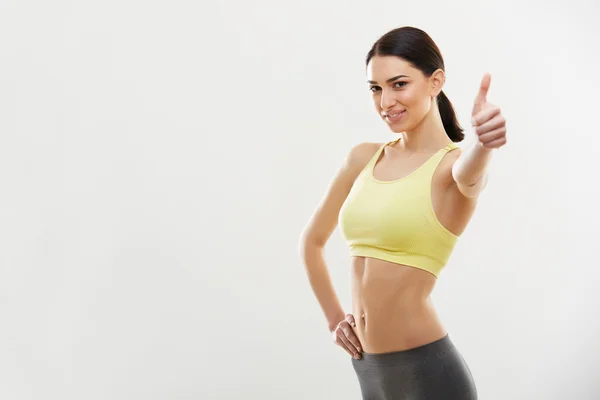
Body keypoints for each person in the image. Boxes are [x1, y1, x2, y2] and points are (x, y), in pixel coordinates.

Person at [298, 26, 507, 399]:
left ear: (435, 82)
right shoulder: (363, 157)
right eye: (375, 88)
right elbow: (312, 242)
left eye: (398, 84)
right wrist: (335, 320)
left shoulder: (450, 168)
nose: (385, 102)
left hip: (427, 372)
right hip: (368, 369)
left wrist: (484, 142)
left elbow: (471, 175)